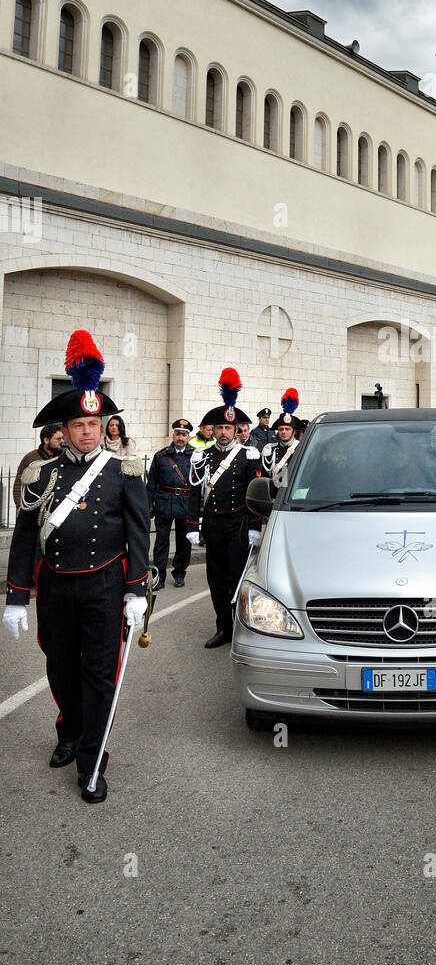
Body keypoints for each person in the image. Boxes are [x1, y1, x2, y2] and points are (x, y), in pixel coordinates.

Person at [2, 330, 149, 804]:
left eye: (95, 422)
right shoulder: (40, 475)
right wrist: (17, 597)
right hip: (57, 588)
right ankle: (69, 730)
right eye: (78, 424)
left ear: (104, 424)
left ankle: (92, 759)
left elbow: (138, 533)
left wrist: (136, 590)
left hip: (106, 586)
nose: (88, 430)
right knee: (61, 668)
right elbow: (26, 539)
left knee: (99, 674)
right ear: (63, 429)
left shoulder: (122, 472)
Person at [186, 369, 262, 649]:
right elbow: (195, 492)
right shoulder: (202, 455)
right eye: (218, 428)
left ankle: (241, 628)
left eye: (228, 428)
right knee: (216, 580)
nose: (223, 432)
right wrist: (193, 525)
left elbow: (254, 493)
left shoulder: (247, 456)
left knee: (237, 579)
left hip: (239, 525)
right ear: (212, 430)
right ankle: (223, 628)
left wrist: (254, 526)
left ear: (236, 430)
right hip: (214, 526)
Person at [147, 418, 195, 590]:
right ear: (173, 435)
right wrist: (148, 506)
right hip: (164, 502)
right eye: (177, 434)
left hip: (186, 503)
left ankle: (180, 573)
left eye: (184, 434)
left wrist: (199, 507)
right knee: (161, 542)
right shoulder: (161, 456)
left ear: (188, 436)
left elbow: (199, 484)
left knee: (184, 541)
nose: (180, 437)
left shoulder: (196, 456)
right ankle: (159, 576)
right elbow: (151, 483)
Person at [12, 422, 64, 512]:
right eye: (58, 439)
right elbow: (19, 484)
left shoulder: (65, 457)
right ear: (46, 440)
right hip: (34, 507)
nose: (62, 441)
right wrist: (19, 506)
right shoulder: (31, 458)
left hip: (58, 507)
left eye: (62, 438)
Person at [262, 390, 301, 485]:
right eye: (281, 429)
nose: (284, 432)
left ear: (294, 431)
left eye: (287, 429)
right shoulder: (270, 449)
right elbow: (265, 476)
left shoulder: (300, 448)